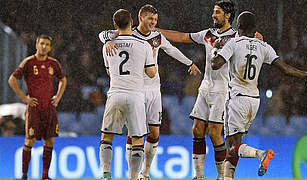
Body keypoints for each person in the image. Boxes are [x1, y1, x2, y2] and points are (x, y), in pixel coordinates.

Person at [156, 0, 259, 179]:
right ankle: (199, 175)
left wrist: (256, 37)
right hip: (205, 88)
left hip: (223, 91)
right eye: (214, 11)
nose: (213, 15)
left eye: (217, 12)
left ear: (228, 15)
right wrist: (157, 31)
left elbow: (254, 44)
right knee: (196, 129)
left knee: (213, 132)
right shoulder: (207, 34)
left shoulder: (237, 38)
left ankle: (221, 176)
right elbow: (182, 37)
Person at [99, 4, 201, 180]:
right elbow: (104, 34)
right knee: (135, 134)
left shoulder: (157, 37)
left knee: (154, 133)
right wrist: (107, 40)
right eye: (150, 19)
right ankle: (132, 174)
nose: (153, 22)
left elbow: (172, 50)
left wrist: (188, 62)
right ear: (140, 19)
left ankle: (144, 173)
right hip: (137, 89)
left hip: (153, 90)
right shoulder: (130, 35)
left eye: (155, 19)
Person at [211, 11, 307, 179]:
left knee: (231, 147)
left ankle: (261, 154)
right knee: (236, 146)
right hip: (254, 101)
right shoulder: (264, 46)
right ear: (254, 28)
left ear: (238, 26)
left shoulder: (234, 43)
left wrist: (215, 48)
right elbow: (285, 69)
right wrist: (305, 74)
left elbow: (215, 65)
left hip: (237, 98)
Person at [99, 9, 157, 180]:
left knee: (106, 136)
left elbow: (109, 72)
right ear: (132, 22)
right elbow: (152, 73)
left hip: (115, 94)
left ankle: (106, 174)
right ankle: (133, 177)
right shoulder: (144, 45)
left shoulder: (107, 46)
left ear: (115, 25)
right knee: (138, 138)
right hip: (135, 96)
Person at [8, 34, 67, 180]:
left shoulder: (53, 63)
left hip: (49, 108)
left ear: (50, 47)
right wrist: (24, 98)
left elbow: (63, 79)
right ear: (36, 45)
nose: (44, 46)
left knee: (50, 140)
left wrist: (58, 97)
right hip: (34, 108)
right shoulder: (28, 62)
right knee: (29, 140)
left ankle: (45, 176)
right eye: (42, 43)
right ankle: (24, 175)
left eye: (47, 44)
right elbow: (12, 79)